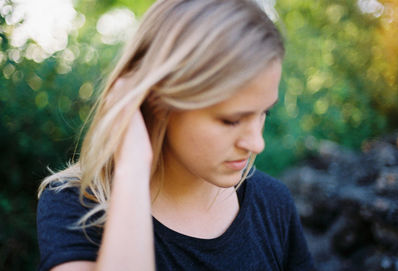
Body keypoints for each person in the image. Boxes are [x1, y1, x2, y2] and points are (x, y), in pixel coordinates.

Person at [36, 0, 314, 270]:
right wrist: (132, 168)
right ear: (158, 100)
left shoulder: (274, 203)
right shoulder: (74, 206)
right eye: (232, 120)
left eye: (264, 112)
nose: (257, 143)